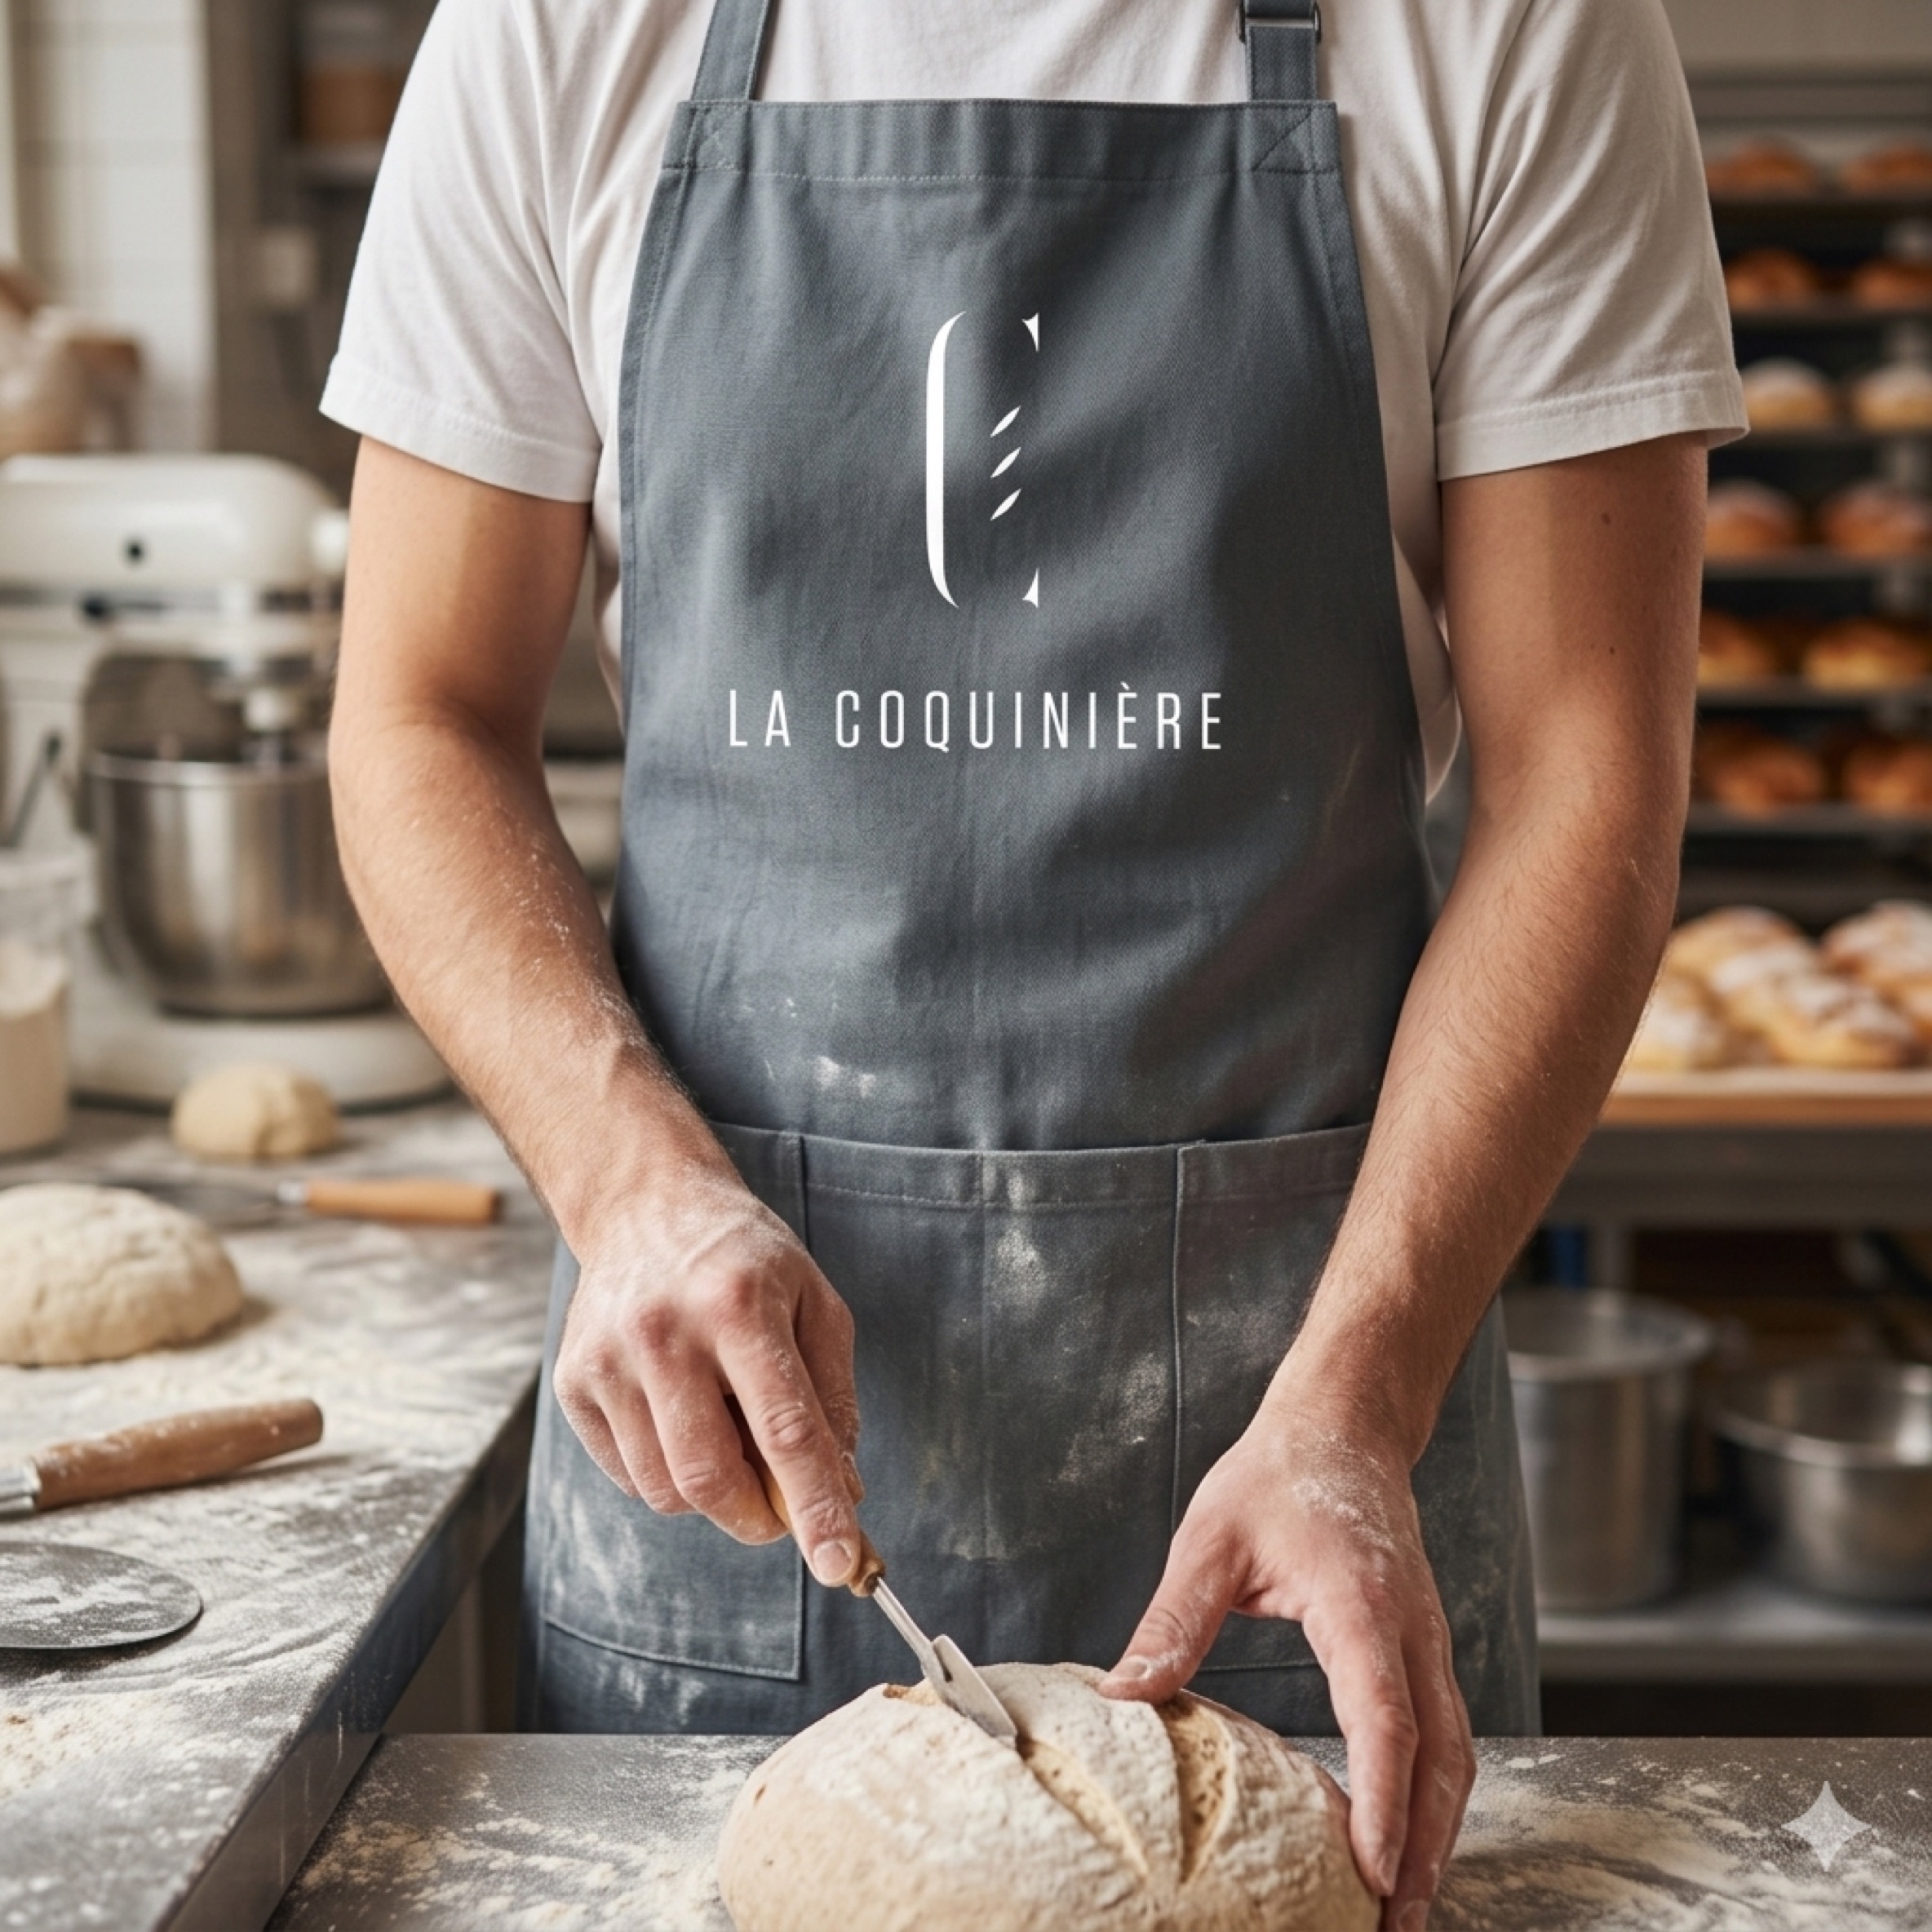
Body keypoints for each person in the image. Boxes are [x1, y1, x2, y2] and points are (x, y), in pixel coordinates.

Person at [323, 1, 1742, 1922]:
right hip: (726, 1439)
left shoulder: (1511, 28)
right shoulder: (563, 28)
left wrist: (1357, 1399)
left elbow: (1583, 779)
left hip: (1309, 1419)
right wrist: (627, 1183)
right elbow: (415, 714)